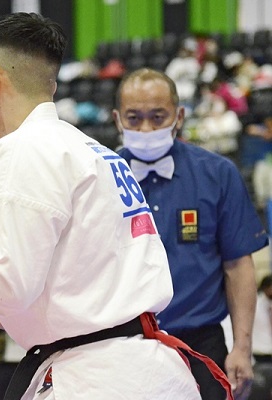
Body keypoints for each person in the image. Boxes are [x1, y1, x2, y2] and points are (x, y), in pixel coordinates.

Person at [0, 12, 223, 400]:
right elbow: (72, 290)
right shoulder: (90, 149)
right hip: (142, 370)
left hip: (98, 381)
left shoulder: (24, 150)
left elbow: (10, 283)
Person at [114, 67, 268, 400]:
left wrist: (242, 348)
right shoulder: (99, 178)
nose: (146, 129)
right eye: (134, 118)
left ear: (179, 116)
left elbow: (238, 267)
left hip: (201, 346)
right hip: (122, 346)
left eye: (158, 117)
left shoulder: (218, 174)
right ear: (117, 120)